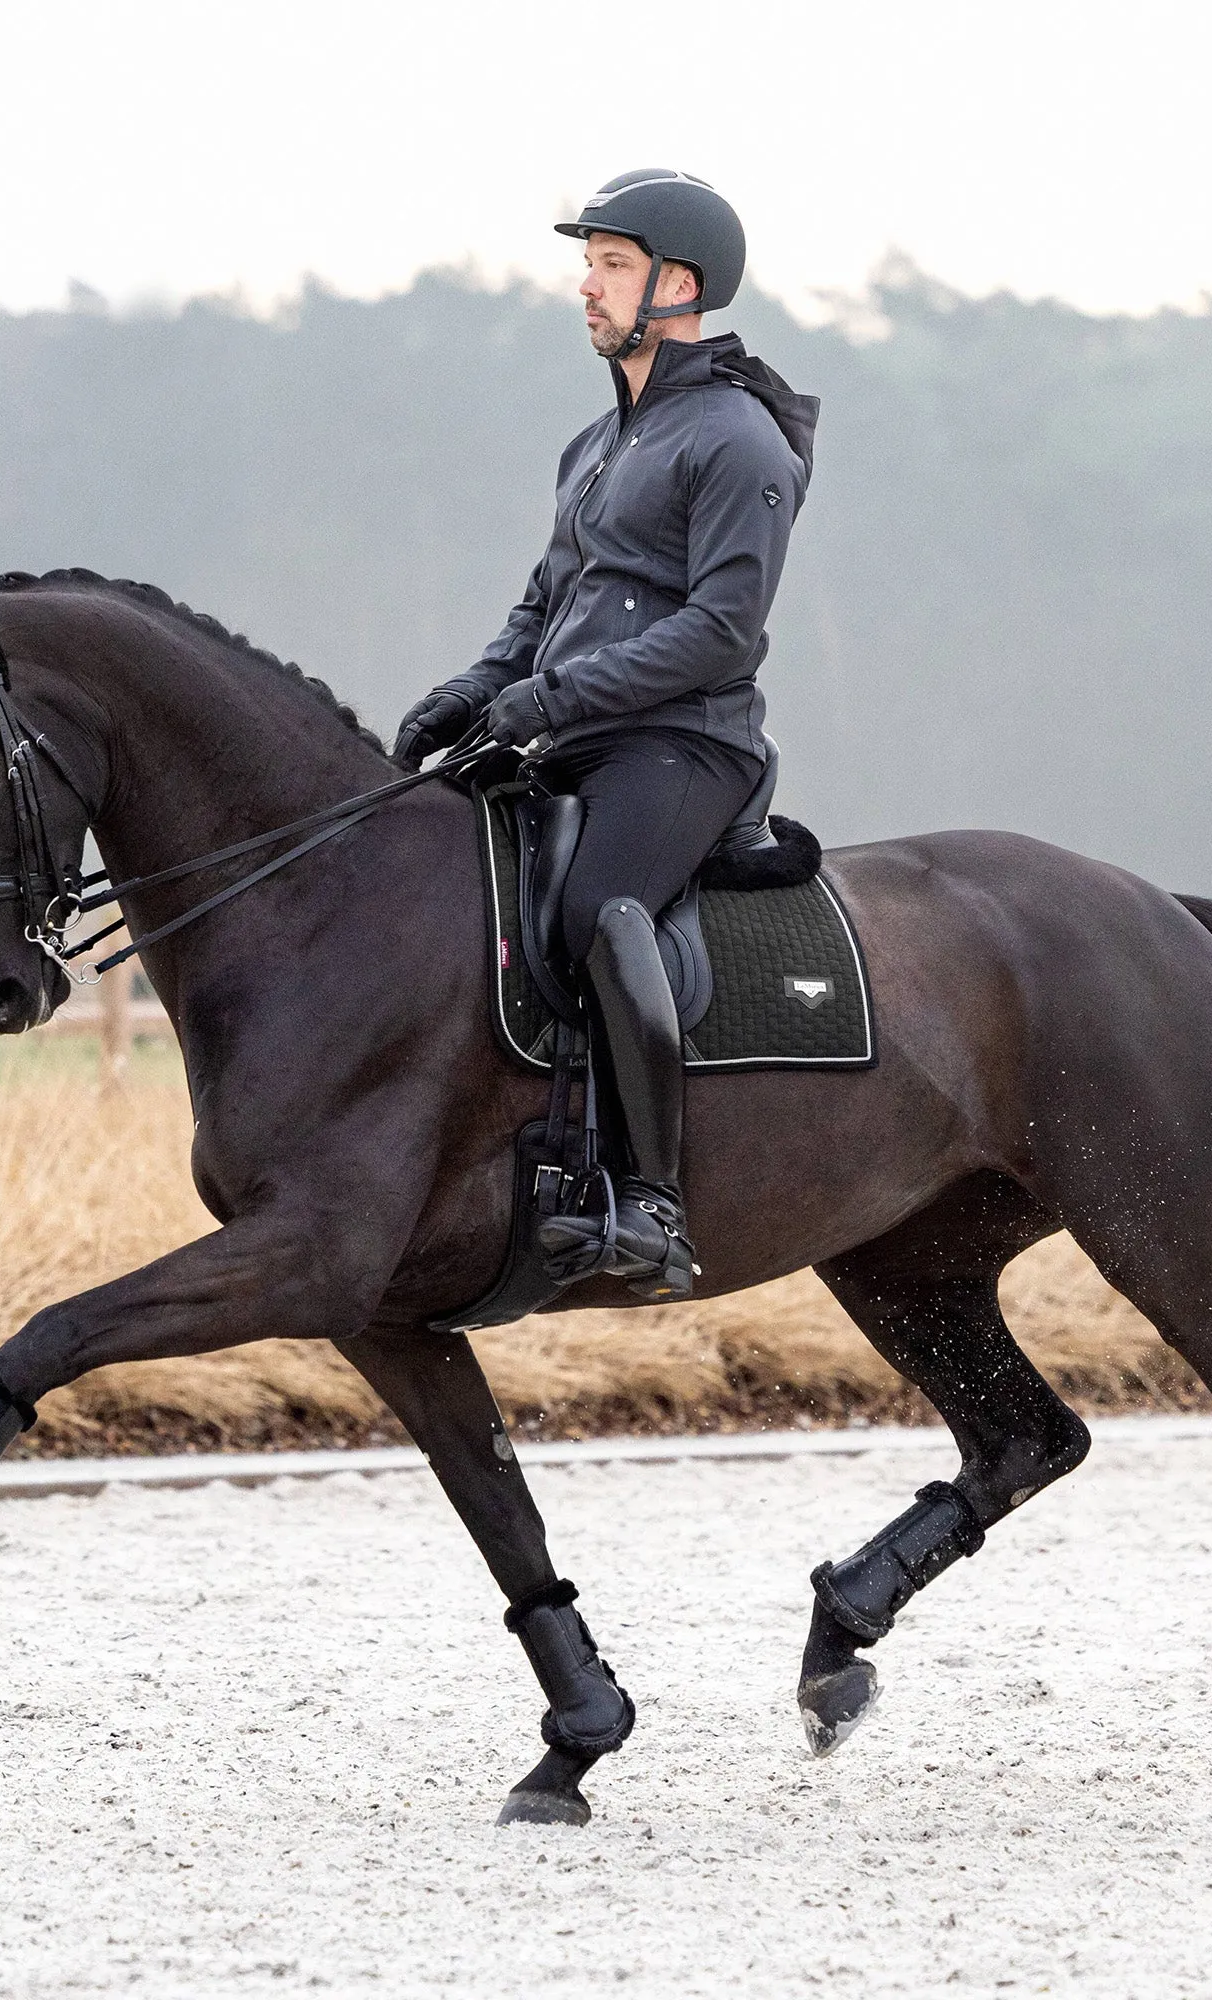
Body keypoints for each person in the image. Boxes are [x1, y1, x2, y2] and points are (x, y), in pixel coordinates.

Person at [394, 168, 818, 1301]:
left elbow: (720, 633)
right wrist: (469, 690)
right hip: (577, 728)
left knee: (593, 907)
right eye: (588, 264)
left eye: (611, 265)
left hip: (686, 744)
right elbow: (544, 609)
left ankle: (652, 1203)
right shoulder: (592, 444)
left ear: (677, 285)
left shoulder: (739, 443)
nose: (585, 285)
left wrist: (548, 701)